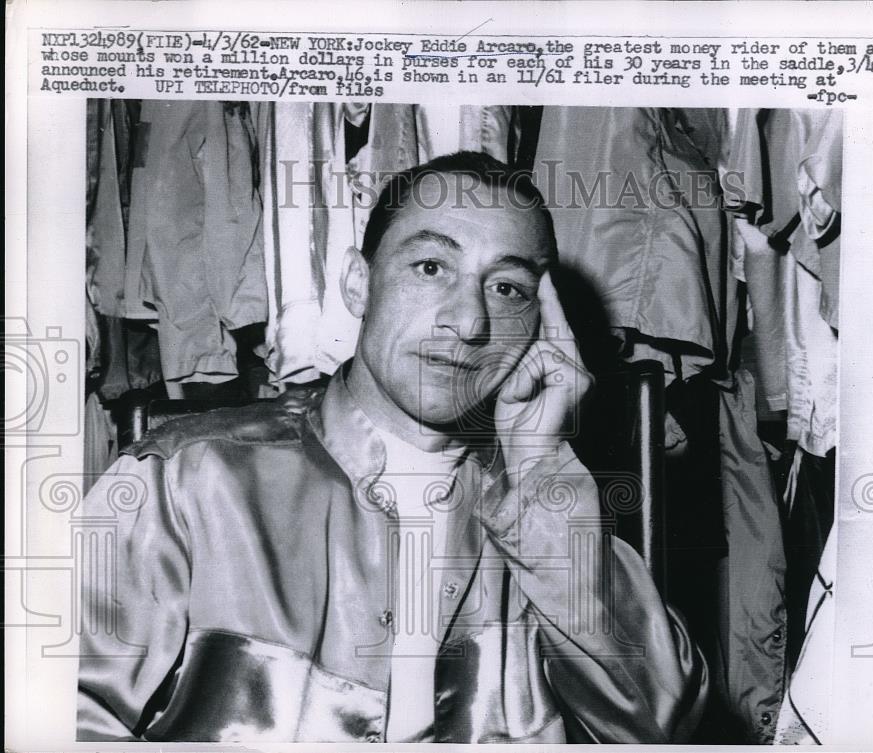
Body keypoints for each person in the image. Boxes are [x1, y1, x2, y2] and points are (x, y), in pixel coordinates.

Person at [77, 151, 708, 743]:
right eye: (432, 268)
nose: (468, 323)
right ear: (358, 283)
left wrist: (541, 473)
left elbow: (661, 726)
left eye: (507, 288)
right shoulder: (186, 477)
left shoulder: (540, 501)